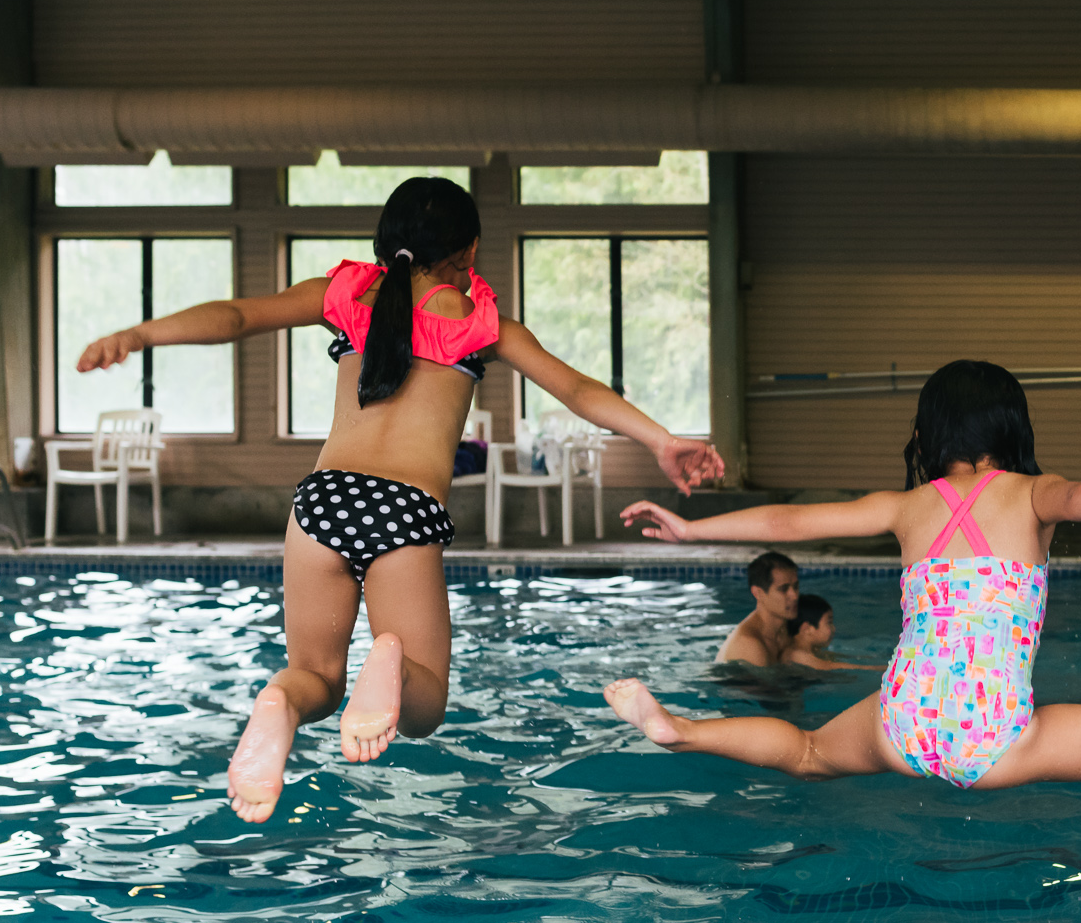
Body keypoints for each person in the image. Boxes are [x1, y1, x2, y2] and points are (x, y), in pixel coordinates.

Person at [603, 359, 1081, 923]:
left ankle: (680, 730)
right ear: (1007, 427)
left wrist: (693, 529)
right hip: (991, 733)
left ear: (933, 432)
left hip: (903, 718)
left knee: (806, 750)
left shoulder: (907, 505)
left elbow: (795, 519)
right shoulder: (1029, 492)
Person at [73, 176, 723, 823]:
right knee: (424, 707)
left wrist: (138, 333)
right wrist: (661, 439)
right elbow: (578, 389)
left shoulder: (348, 294)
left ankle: (279, 700)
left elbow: (239, 315)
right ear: (468, 253)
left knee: (317, 680)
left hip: (321, 501)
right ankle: (389, 659)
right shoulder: (480, 320)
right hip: (402, 509)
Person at [716, 550, 801, 665]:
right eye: (783, 589)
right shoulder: (750, 645)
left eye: (795, 587)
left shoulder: (785, 629)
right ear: (758, 593)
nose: (794, 596)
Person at [781, 595, 883, 671]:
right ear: (807, 629)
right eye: (829, 623)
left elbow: (833, 659)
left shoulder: (812, 650)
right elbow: (829, 666)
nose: (833, 628)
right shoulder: (796, 654)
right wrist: (873, 668)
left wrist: (869, 659)